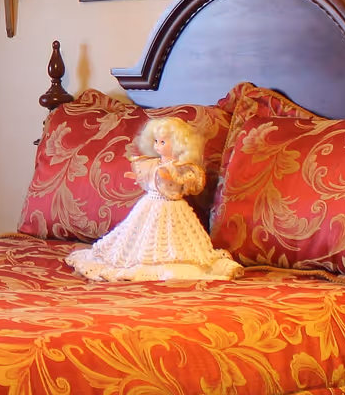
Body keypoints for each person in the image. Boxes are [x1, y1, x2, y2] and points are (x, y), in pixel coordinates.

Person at [67, 117, 240, 283]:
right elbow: (149, 178)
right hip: (149, 206)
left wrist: (170, 175)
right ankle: (135, 258)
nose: (157, 146)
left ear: (178, 144)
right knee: (139, 234)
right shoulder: (152, 164)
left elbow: (186, 182)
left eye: (163, 142)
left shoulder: (181, 167)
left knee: (175, 239)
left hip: (172, 208)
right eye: (156, 141)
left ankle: (167, 262)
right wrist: (137, 176)